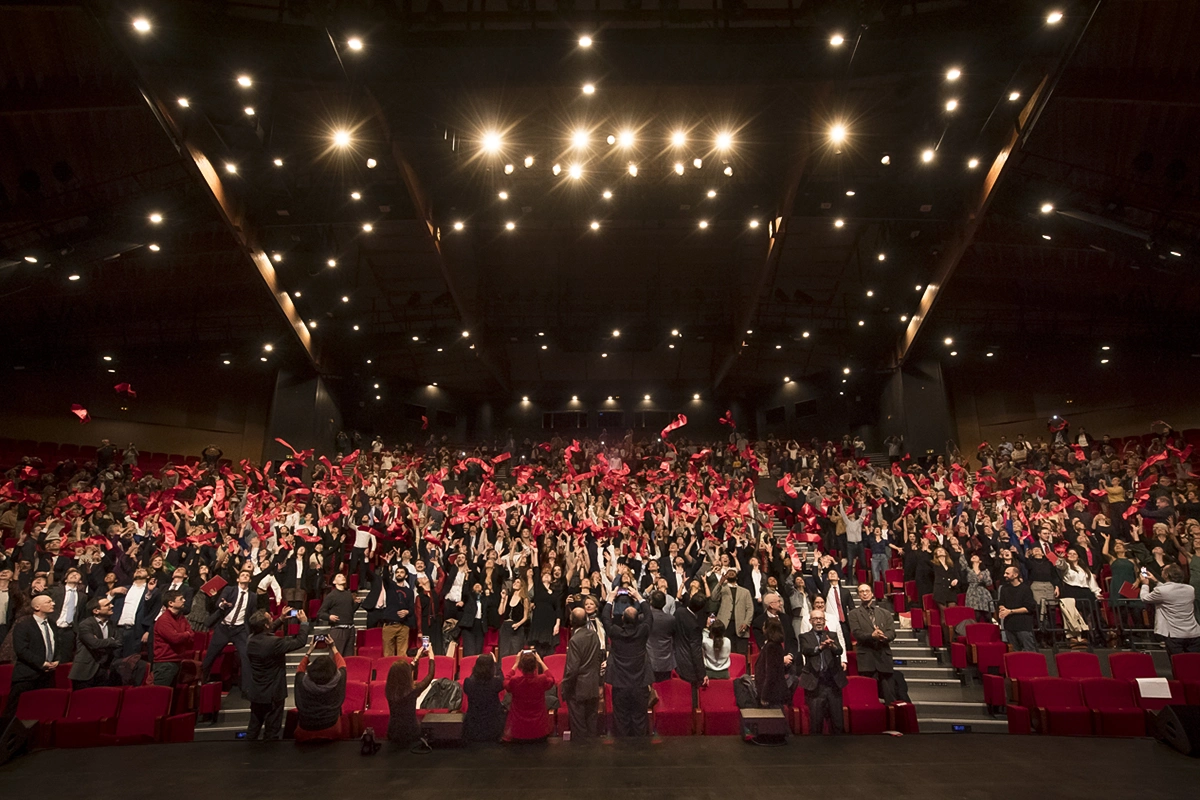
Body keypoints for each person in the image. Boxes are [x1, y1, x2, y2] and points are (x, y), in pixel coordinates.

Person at [245, 609, 311, 740]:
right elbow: (300, 642)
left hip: (257, 692)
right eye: (270, 618)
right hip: (273, 693)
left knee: (253, 728)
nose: (272, 619)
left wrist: (280, 619)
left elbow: (265, 633)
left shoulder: (250, 639)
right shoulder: (274, 643)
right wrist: (304, 623)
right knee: (272, 731)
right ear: (265, 625)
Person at [201, 570, 256, 692]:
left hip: (240, 629)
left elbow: (251, 614)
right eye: (243, 575)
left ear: (250, 580)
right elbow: (218, 603)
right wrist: (223, 604)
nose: (245, 576)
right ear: (238, 579)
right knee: (210, 655)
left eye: (247, 575)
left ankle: (247, 689)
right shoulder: (229, 590)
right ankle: (202, 681)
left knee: (245, 657)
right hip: (223, 628)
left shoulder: (253, 596)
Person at [603, 601, 651, 737]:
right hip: (640, 684)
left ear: (622, 618)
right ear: (638, 619)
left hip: (620, 685)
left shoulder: (615, 632)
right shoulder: (643, 631)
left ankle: (622, 752)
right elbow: (649, 617)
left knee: (621, 719)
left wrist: (609, 600)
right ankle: (640, 751)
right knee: (640, 719)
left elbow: (606, 619)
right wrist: (640, 598)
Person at [6, 593, 59, 714]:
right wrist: (42, 663)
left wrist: (57, 660)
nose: (53, 604)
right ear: (37, 607)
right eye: (48, 602)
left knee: (41, 712)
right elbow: (21, 650)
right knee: (14, 713)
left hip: (47, 677)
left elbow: (58, 645)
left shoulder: (52, 623)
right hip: (27, 675)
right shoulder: (23, 625)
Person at [798, 609, 846, 734]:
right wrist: (820, 648)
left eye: (821, 619)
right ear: (810, 621)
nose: (818, 621)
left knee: (837, 722)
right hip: (815, 683)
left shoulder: (832, 635)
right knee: (816, 723)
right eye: (815, 619)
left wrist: (832, 646)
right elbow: (806, 650)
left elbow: (839, 650)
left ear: (824, 621)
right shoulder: (805, 636)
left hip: (832, 683)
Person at [847, 583, 897, 699]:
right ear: (859, 595)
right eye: (861, 592)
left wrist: (885, 636)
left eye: (867, 591)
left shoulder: (885, 613)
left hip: (883, 656)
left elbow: (892, 632)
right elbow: (857, 633)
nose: (864, 593)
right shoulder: (854, 614)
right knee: (870, 695)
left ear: (872, 593)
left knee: (889, 694)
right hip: (867, 658)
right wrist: (872, 635)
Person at [294, 636, 348, 740]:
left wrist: (309, 651)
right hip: (330, 724)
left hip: (306, 726)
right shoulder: (338, 680)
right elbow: (342, 665)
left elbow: (300, 669)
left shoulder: (302, 681)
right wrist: (333, 647)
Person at [1140, 564, 1200, 655]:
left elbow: (1145, 598)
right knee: (1194, 663)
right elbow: (1170, 590)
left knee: (1177, 664)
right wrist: (1156, 581)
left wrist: (1145, 585)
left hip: (1174, 634)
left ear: (1166, 575)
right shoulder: (1190, 589)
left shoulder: (1162, 591)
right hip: (1193, 633)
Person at [561, 607, 602, 738]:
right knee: (592, 725)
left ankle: (582, 756)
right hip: (592, 686)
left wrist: (565, 688)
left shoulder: (574, 640)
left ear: (572, 621)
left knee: (579, 728)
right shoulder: (594, 635)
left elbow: (572, 669)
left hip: (578, 689)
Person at [69, 597, 124, 690]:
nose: (112, 606)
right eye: (107, 605)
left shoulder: (112, 624)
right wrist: (111, 641)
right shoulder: (85, 624)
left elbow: (119, 642)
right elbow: (94, 644)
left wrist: (102, 642)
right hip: (85, 672)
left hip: (103, 670)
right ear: (96, 611)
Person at [385, 646, 436, 746]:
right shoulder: (412, 691)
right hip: (411, 732)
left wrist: (417, 657)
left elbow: (403, 672)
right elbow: (430, 675)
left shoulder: (388, 690)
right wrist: (431, 657)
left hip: (393, 732)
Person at [504, 650, 556, 741]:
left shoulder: (515, 681)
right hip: (539, 729)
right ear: (535, 666)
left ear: (521, 666)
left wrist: (515, 664)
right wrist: (540, 662)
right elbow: (551, 679)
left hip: (518, 730)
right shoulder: (542, 680)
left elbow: (505, 681)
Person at [151, 589, 194, 686]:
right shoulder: (164, 620)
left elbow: (192, 635)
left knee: (172, 695)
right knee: (162, 695)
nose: (184, 600)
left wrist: (183, 635)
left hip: (177, 660)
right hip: (165, 663)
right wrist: (185, 634)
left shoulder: (181, 617)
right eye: (181, 599)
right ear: (171, 603)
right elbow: (175, 639)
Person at [462, 653, 506, 742]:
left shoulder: (468, 683)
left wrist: (478, 668)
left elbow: (473, 678)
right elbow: (502, 679)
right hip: (493, 730)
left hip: (473, 730)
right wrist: (495, 663)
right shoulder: (496, 683)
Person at [47, 567, 87, 660]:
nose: (74, 575)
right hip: (52, 626)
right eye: (71, 574)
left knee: (65, 656)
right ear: (65, 579)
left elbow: (81, 615)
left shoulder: (83, 597)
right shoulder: (56, 590)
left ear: (80, 581)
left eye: (77, 574)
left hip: (69, 630)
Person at [996, 566, 1038, 652]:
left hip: (1023, 625)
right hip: (1009, 625)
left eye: (1007, 573)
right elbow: (1001, 602)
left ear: (1015, 575)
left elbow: (1028, 607)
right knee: (1014, 652)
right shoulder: (1004, 588)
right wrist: (1002, 608)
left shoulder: (1025, 589)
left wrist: (1010, 611)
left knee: (1029, 651)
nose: (1005, 575)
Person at [317, 573, 359, 655]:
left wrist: (357, 604)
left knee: (348, 658)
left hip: (350, 630)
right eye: (339, 576)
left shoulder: (348, 594)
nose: (343, 577)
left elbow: (350, 611)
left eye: (343, 576)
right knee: (336, 657)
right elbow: (320, 613)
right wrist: (329, 617)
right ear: (334, 581)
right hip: (338, 630)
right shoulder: (331, 596)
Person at [714, 568, 752, 656]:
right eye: (729, 572)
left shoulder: (745, 591)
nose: (731, 573)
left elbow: (750, 608)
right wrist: (720, 583)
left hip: (741, 625)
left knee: (741, 653)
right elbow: (714, 597)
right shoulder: (722, 589)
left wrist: (746, 623)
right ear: (726, 576)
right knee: (725, 652)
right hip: (725, 624)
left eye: (733, 572)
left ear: (737, 577)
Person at [645, 590, 677, 682]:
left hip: (649, 660)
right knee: (665, 690)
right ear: (665, 603)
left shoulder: (644, 617)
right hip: (666, 661)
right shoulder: (671, 619)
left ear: (651, 602)